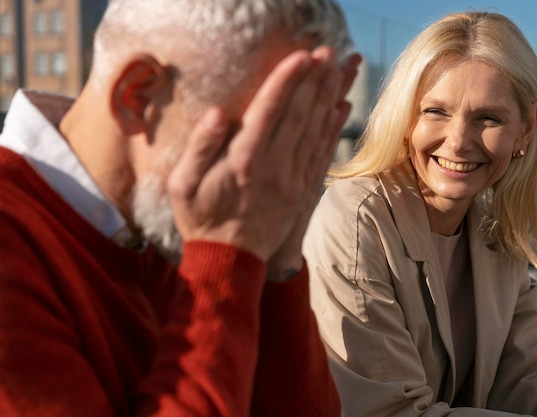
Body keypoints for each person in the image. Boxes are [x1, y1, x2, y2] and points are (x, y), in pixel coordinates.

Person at [0, 1, 361, 416]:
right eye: (250, 140)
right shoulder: (15, 240)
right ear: (138, 97)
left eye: (289, 140)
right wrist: (225, 257)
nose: (269, 177)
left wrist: (278, 262)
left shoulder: (169, 217)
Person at [302, 10, 537, 417]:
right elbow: (388, 412)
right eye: (435, 111)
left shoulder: (493, 234)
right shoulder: (357, 218)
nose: (457, 142)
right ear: (405, 117)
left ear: (526, 129)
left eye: (488, 118)